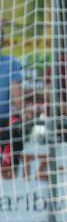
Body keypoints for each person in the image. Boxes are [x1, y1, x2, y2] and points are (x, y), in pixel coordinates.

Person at [0, 27, 24, 175]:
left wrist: (22, 111)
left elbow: (17, 97)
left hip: (5, 121)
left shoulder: (11, 63)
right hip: (5, 123)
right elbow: (17, 97)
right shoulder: (11, 63)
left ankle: (10, 167)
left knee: (17, 125)